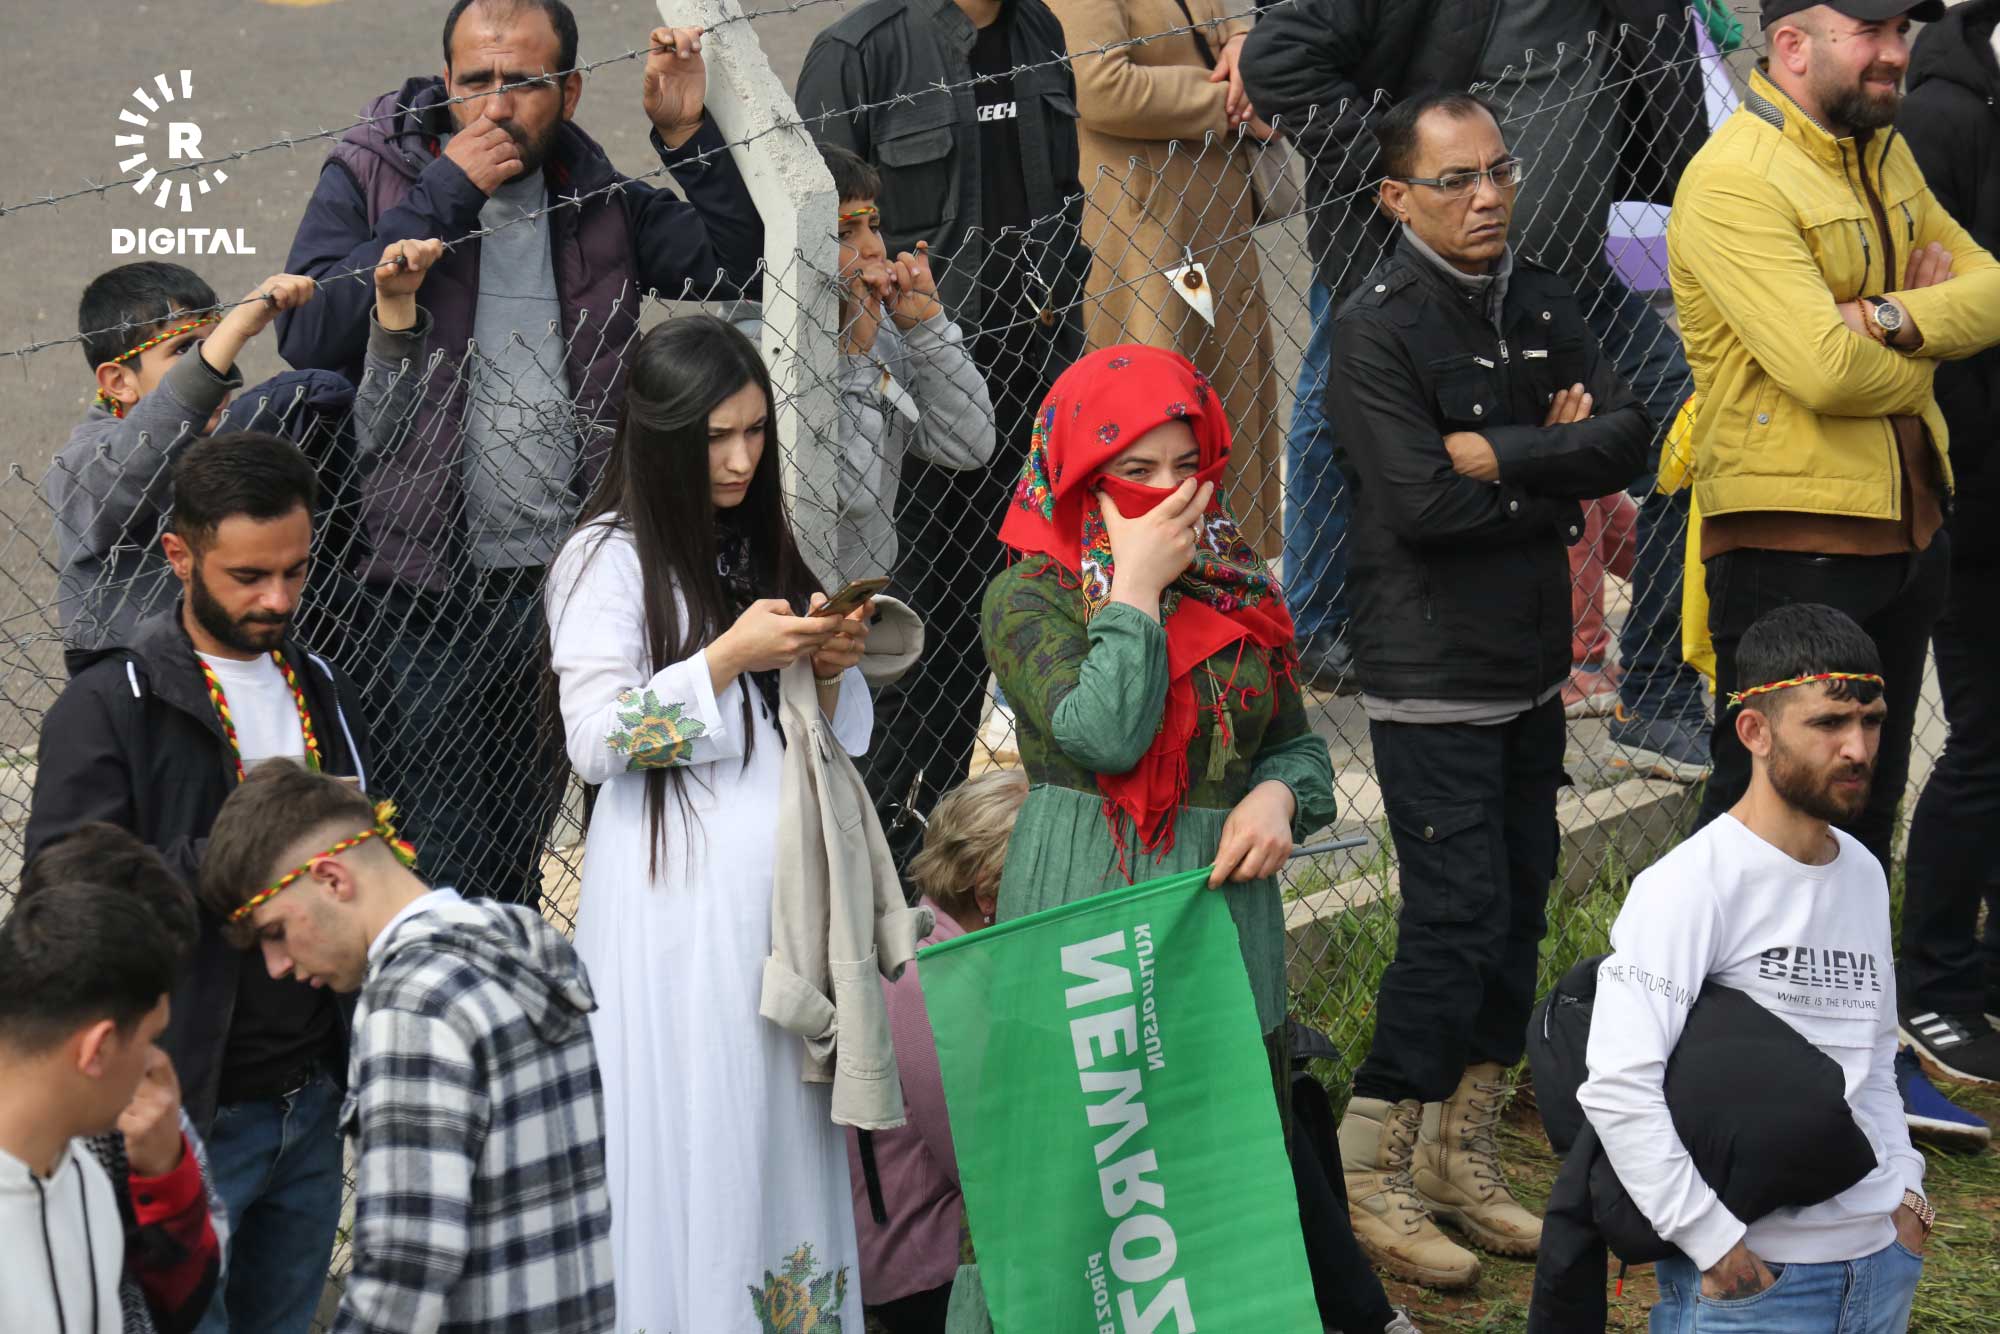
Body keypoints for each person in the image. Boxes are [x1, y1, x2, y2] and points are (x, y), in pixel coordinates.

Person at [277, 0, 766, 912]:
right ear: (446, 84)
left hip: (572, 581)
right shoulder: (374, 174)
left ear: (570, 92)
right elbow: (307, 332)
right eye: (477, 82)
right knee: (443, 856)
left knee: (564, 833)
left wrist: (685, 135)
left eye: (525, 83)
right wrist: (446, 192)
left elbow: (739, 267)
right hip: (422, 591)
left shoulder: (598, 197)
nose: (497, 106)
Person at [979, 346, 1416, 1334]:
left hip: (1220, 923)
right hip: (1086, 915)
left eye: (1187, 465)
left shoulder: (1237, 586)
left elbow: (1296, 747)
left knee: (1224, 1170)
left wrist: (1278, 797)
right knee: (1091, 1182)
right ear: (1077, 476)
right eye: (1135, 470)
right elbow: (1104, 734)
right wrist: (1133, 591)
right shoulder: (1029, 596)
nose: (1169, 493)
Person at [1325, 91, 1650, 1289]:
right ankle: (1367, 1164)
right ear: (1395, 197)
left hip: (1529, 669)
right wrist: (1555, 472)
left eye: (1497, 171)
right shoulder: (1374, 330)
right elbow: (1419, 503)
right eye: (1454, 179)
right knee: (1451, 919)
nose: (1486, 196)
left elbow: (1628, 437)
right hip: (1431, 670)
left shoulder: (1542, 297)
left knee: (1515, 911)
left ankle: (1456, 1151)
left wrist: (1503, 454)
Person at [1241, 0, 1714, 771]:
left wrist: (1522, 455)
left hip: (1571, 288)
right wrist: (1400, 174)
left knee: (1700, 441)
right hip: (1425, 288)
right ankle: (1328, 628)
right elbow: (1276, 59)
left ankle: (1656, 696)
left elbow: (1668, 98)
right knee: (1392, 462)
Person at [545, 316, 874, 1333]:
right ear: (659, 437)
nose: (739, 460)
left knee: (777, 1126)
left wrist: (829, 667)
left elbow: (826, 738)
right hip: (675, 923)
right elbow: (596, 738)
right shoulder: (603, 558)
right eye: (715, 437)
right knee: (701, 1121)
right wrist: (726, 659)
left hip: (783, 909)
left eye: (754, 431)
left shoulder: (761, 541)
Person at [25, 431, 371, 1334]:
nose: (278, 598)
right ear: (179, 555)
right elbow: (61, 904)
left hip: (311, 1100)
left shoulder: (320, 685)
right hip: (186, 1116)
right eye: (249, 576)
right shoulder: (108, 707)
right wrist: (248, 848)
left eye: (296, 571)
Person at [1672, 2, 2000, 875]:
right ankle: (1711, 968)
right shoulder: (1735, 179)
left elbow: (1992, 289)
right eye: (1871, 33)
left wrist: (1886, 316)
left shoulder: (1884, 153)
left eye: (1901, 31)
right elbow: (1823, 371)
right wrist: (1930, 350)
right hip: (1792, 542)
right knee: (1767, 816)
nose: (1896, 52)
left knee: (1864, 818)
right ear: (1790, 45)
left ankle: (1847, 968)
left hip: (1908, 525)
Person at [797, 0, 1091, 874]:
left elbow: (1062, 207)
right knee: (897, 656)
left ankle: (931, 869)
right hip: (897, 409)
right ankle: (865, 867)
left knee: (979, 641)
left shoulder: (1038, 30)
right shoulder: (859, 54)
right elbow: (808, 238)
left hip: (1019, 393)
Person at [1579, 603, 1931, 1332]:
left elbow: (1871, 1056)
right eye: (1829, 723)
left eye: (1871, 721)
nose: (1858, 748)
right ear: (1755, 732)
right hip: (1756, 1282)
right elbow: (1619, 1086)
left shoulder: (1863, 872)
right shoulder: (1691, 885)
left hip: (1880, 1262)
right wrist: (1718, 1249)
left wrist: (1907, 1197)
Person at [197, 760, 614, 1334]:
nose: (277, 966)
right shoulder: (523, 937)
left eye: (274, 932)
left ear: (332, 880)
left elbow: (403, 1277)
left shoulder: (411, 1003)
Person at [1047, 0, 1284, 557]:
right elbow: (1099, 87)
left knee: (1226, 398)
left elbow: (1220, 18)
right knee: (1158, 414)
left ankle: (1228, 575)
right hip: (1148, 232)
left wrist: (1243, 43)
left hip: (1209, 221)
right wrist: (1229, 99)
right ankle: (1154, 577)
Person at [732, 143, 996, 586]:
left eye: (873, 225)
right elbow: (847, 497)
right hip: (773, 597)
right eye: (844, 233)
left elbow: (969, 446)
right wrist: (853, 359)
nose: (874, 248)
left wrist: (927, 330)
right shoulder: (754, 349)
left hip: (860, 593)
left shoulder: (880, 328)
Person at [1894, 0, 2000, 1090]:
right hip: (1974, 499)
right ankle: (1933, 984)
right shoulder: (1942, 115)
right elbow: (1937, 320)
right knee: (1985, 740)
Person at [48, 262, 318, 653]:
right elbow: (136, 458)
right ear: (120, 382)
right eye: (184, 349)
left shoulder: (229, 440)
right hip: (138, 680)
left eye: (213, 344)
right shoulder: (81, 466)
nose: (222, 364)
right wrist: (237, 329)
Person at [22, 826, 228, 1334]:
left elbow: (189, 1289)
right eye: (151, 1032)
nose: (158, 1056)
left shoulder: (136, 1106)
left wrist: (166, 1172)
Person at [846, 767, 1026, 1334]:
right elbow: (983, 1162)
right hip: (924, 1270)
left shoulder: (933, 938)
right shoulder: (933, 982)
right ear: (989, 893)